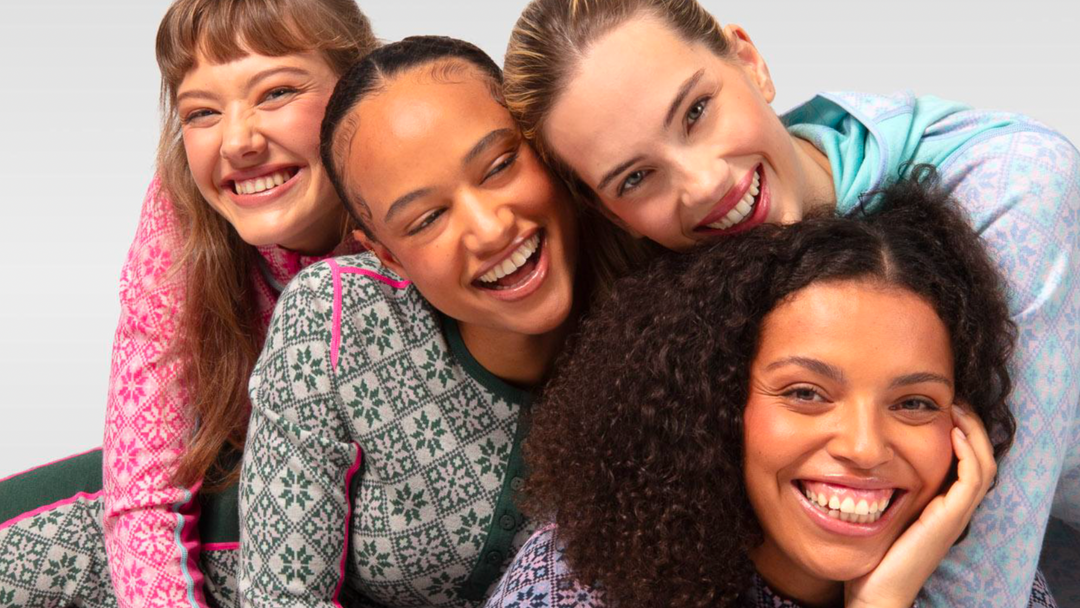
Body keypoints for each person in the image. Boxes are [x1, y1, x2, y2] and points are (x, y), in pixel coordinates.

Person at [501, 1, 1080, 605]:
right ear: (609, 211)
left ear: (750, 60)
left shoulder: (1009, 191)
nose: (703, 184)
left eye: (696, 112)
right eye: (635, 178)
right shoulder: (682, 280)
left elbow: (988, 567)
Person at [485, 172, 1055, 608]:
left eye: (913, 403)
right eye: (807, 393)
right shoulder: (575, 584)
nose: (864, 447)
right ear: (719, 402)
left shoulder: (1000, 584)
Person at [0, 0, 376, 606]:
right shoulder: (182, 216)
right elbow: (145, 496)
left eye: (276, 92)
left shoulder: (422, 187)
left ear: (360, 88)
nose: (239, 141)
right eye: (201, 112)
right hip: (235, 503)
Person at [237, 35, 585, 607]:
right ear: (387, 255)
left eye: (499, 166)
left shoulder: (650, 310)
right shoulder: (335, 318)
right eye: (427, 218)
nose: (490, 229)